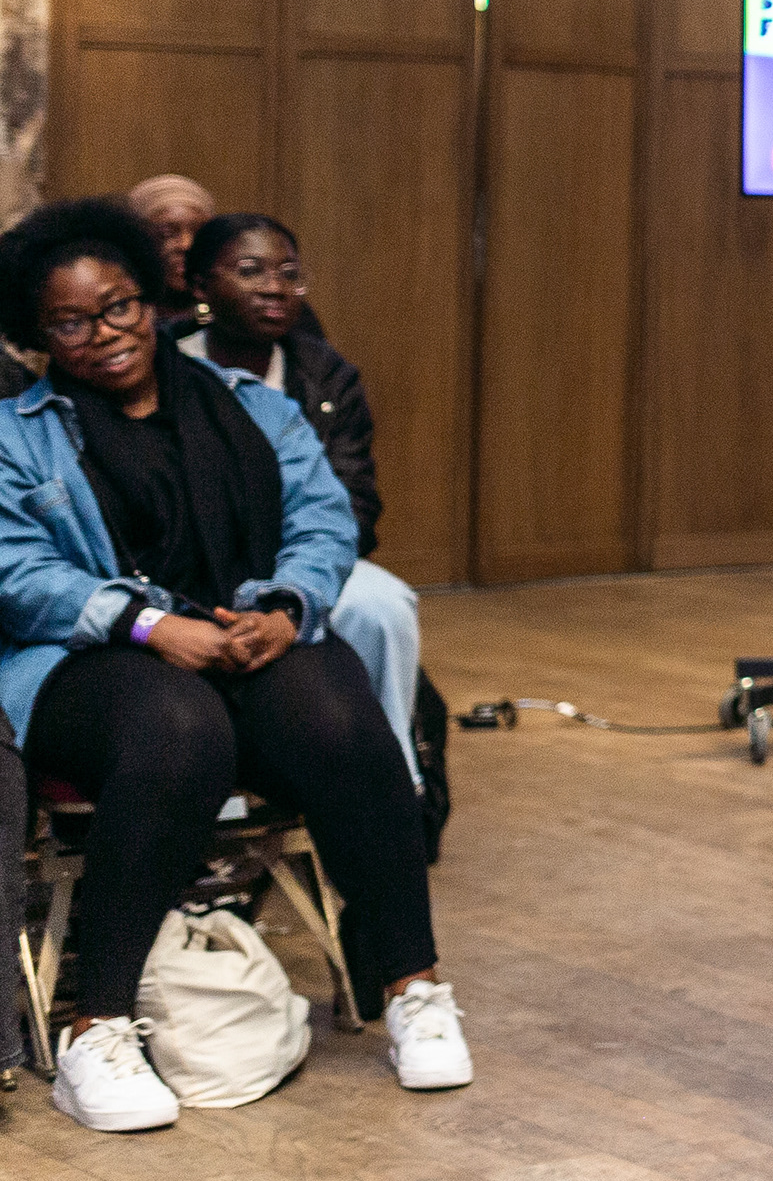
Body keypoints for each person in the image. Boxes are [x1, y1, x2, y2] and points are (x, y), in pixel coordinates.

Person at [0, 198, 469, 1132]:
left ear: (152, 300)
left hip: (244, 629)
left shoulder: (255, 407)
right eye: (72, 322)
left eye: (119, 307)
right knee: (179, 727)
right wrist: (145, 625)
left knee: (338, 713)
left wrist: (288, 609)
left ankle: (412, 987)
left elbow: (325, 521)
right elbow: (17, 572)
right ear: (39, 335)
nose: (105, 333)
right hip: (85, 659)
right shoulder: (18, 432)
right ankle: (98, 1030)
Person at [177, 215, 424, 790]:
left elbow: (355, 501)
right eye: (250, 271)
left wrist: (297, 575)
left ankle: (390, 779)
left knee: (382, 605)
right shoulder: (165, 361)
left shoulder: (325, 375)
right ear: (200, 286)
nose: (274, 288)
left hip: (305, 555)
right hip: (189, 567)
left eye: (289, 273)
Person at [125, 173, 216, 330]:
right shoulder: (118, 324)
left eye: (199, 233)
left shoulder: (230, 322)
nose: (186, 245)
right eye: (167, 234)